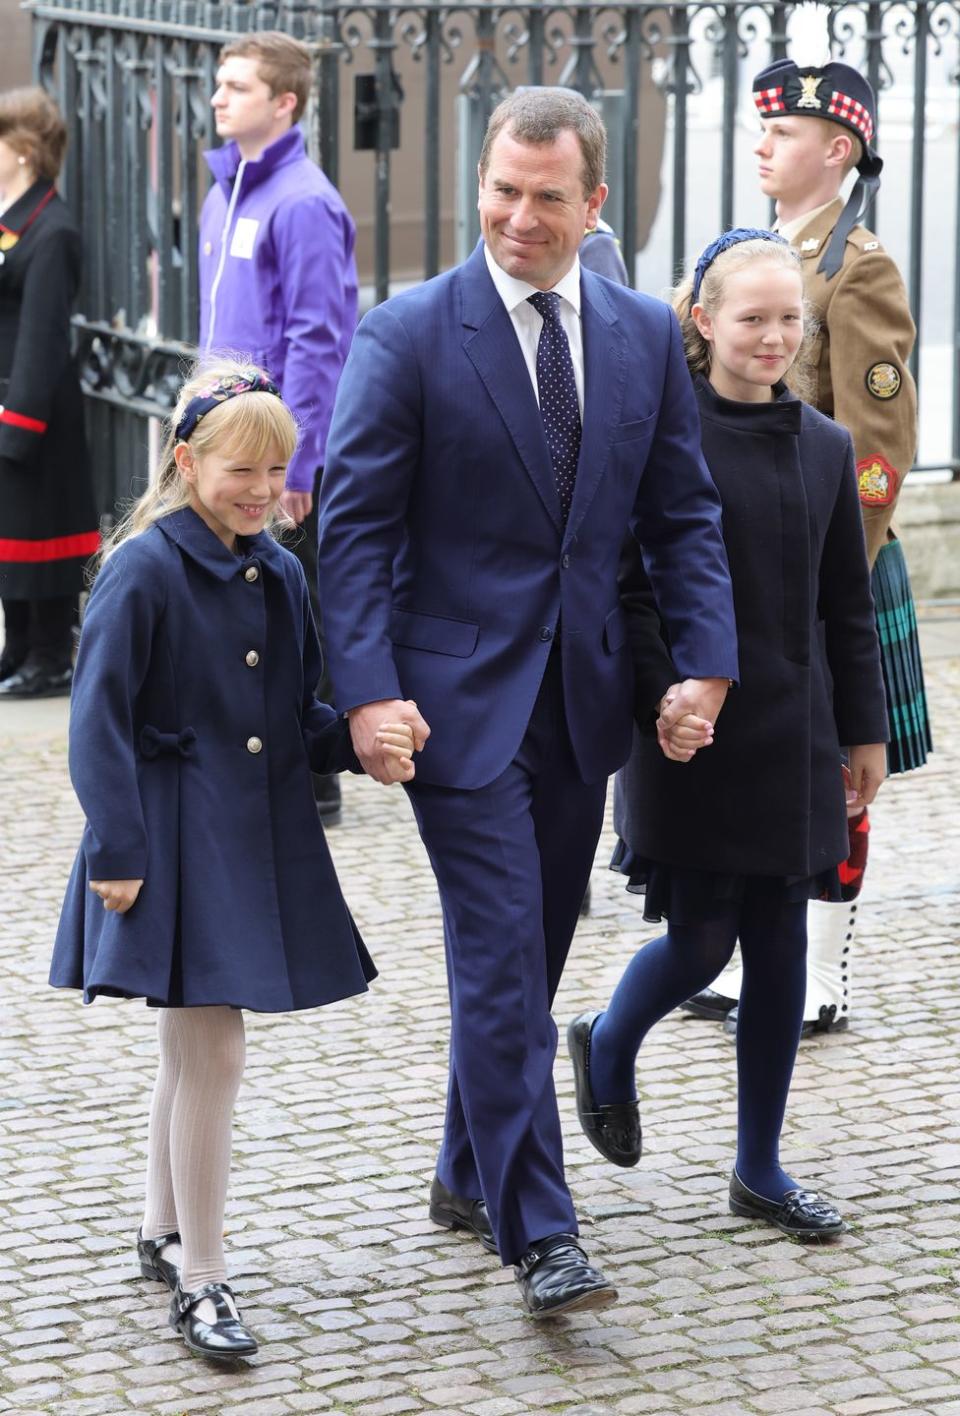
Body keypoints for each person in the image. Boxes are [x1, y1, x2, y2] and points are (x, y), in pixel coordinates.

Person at [318, 87, 739, 1318]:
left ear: (591, 203)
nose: (518, 216)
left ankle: (467, 1167)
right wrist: (367, 695)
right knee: (498, 955)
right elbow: (352, 536)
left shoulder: (642, 336)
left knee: (535, 957)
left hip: (585, 704)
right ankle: (541, 1232)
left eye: (547, 197)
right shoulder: (405, 335)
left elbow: (681, 514)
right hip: (452, 711)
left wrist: (702, 661)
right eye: (503, 189)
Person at [49, 359, 415, 1360]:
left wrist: (362, 745)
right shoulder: (142, 567)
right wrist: (119, 850)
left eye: (277, 469)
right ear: (186, 461)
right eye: (241, 469)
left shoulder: (284, 570)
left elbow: (299, 717)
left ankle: (163, 1231)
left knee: (191, 1050)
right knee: (213, 1050)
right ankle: (203, 1282)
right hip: (168, 837)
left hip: (247, 832)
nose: (261, 490)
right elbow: (97, 723)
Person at [568, 229, 888, 1239]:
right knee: (702, 942)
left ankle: (760, 1167)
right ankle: (609, 1038)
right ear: (702, 322)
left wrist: (864, 736)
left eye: (790, 318)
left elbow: (848, 607)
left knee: (782, 949)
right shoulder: (667, 440)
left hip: (794, 733)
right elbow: (631, 587)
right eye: (752, 318)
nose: (775, 337)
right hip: (688, 733)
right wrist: (669, 695)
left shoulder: (828, 446)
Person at [684, 60, 931, 1037]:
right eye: (761, 130)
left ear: (838, 148)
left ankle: (819, 972)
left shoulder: (855, 267)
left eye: (781, 132)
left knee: (834, 767)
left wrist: (841, 569)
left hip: (833, 559)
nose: (762, 145)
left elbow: (879, 444)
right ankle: (759, 959)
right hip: (754, 560)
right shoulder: (757, 253)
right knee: (766, 765)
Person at [199, 31, 357, 823]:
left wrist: (296, 464)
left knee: (290, 607)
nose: (219, 97)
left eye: (237, 86)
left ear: (284, 102)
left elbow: (318, 339)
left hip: (271, 455)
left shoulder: (304, 201)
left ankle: (312, 769)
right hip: (220, 441)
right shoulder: (223, 191)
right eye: (219, 84)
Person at [0, 86, 98, 699]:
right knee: (10, 535)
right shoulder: (14, 219)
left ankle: (48, 656)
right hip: (7, 401)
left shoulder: (52, 230)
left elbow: (40, 338)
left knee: (37, 533)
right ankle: (17, 649)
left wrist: (18, 426)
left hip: (31, 412)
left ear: (24, 151)